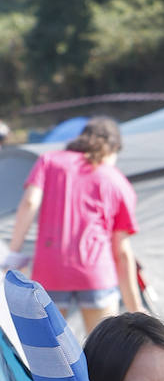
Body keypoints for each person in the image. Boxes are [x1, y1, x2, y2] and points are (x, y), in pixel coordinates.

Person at [4, 116, 142, 334]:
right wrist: (136, 309)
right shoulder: (116, 180)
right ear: (113, 148)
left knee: (50, 352)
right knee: (102, 348)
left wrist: (14, 252)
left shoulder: (49, 161)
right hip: (97, 272)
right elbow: (122, 252)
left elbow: (29, 202)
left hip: (51, 270)